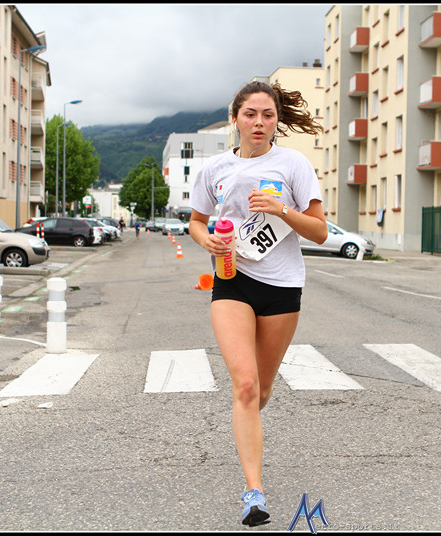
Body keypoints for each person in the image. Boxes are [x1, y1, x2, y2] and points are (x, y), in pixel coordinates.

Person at [188, 81, 327, 527]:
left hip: (282, 288)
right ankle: (254, 492)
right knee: (245, 386)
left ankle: (245, 422)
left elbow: (320, 231)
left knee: (262, 391)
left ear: (277, 120)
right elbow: (196, 221)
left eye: (268, 115)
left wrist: (280, 209)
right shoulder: (215, 168)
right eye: (250, 114)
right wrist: (206, 239)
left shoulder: (293, 164)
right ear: (235, 118)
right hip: (232, 280)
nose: (259, 123)